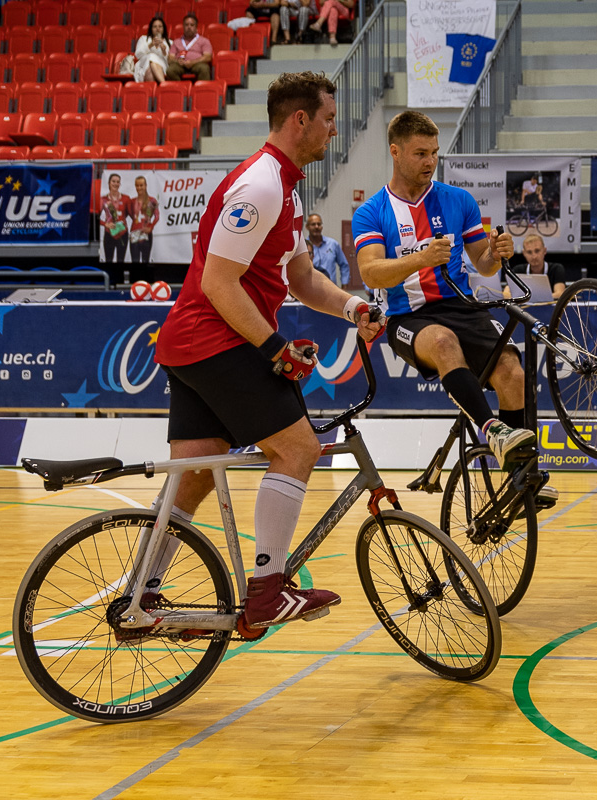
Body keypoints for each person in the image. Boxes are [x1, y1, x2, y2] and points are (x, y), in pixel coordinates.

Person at [154, 72, 384, 629]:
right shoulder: (260, 186)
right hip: (217, 340)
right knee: (298, 448)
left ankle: (143, 593)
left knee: (196, 473)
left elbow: (302, 279)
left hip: (194, 345)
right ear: (299, 119)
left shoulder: (287, 187)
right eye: (328, 119)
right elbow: (218, 283)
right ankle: (267, 590)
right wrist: (275, 346)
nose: (333, 131)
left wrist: (354, 308)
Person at [352, 111, 556, 506]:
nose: (430, 162)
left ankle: (520, 479)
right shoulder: (372, 211)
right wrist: (421, 259)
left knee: (513, 371)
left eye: (434, 153)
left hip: (464, 308)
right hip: (409, 318)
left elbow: (482, 262)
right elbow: (371, 272)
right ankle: (491, 431)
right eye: (419, 153)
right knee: (444, 342)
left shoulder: (457, 200)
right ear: (395, 152)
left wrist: (498, 253)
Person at [515, 233, 566, 300]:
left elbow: (560, 294)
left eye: (537, 251)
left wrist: (529, 298)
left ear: (544, 251)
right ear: (524, 253)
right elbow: (506, 294)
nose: (534, 256)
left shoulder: (556, 269)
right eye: (529, 252)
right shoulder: (517, 270)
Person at [305, 213, 350, 286]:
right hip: (311, 289)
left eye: (319, 224)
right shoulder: (304, 247)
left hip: (332, 289)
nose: (316, 227)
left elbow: (344, 264)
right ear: (307, 227)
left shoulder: (333, 244)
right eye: (313, 224)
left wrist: (344, 284)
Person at [166, 14, 212, 81]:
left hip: (197, 64)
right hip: (180, 64)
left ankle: (201, 90)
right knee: (170, 70)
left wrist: (193, 62)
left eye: (192, 25)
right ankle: (180, 89)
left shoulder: (204, 41)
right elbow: (170, 58)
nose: (189, 27)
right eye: (186, 25)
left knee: (204, 69)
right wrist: (178, 61)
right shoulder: (176, 42)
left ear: (196, 27)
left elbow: (207, 57)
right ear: (183, 27)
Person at [128, 175, 159, 264]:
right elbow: (130, 215)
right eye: (137, 185)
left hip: (146, 234)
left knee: (146, 261)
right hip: (134, 233)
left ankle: (145, 278)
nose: (139, 188)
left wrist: (150, 227)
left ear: (145, 186)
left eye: (141, 185)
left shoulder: (152, 201)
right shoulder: (132, 201)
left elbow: (157, 216)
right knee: (135, 261)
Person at [100, 173, 130, 263]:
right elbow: (94, 216)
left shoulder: (126, 198)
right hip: (109, 234)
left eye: (118, 182)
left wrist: (121, 222)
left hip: (122, 233)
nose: (115, 184)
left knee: (121, 261)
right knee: (108, 260)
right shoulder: (103, 199)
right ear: (109, 183)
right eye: (113, 181)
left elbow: (129, 213)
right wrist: (106, 224)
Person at [134, 17, 170, 84]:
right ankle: (164, 83)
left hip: (161, 67)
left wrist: (164, 51)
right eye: (155, 27)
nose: (157, 29)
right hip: (144, 65)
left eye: (160, 26)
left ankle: (155, 90)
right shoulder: (143, 39)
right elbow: (137, 55)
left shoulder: (169, 42)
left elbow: (170, 62)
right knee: (151, 56)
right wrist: (150, 45)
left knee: (150, 70)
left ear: (163, 29)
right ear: (151, 29)